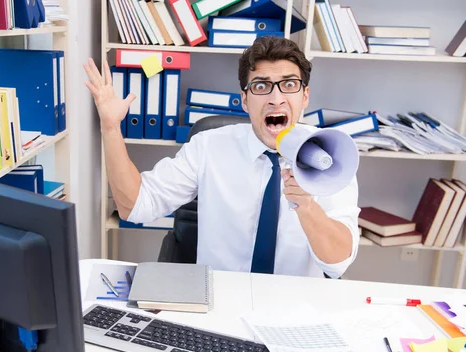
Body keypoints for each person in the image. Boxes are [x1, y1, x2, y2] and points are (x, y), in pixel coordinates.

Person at [83, 36, 360, 278]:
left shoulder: (331, 155)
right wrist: (110, 128)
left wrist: (307, 207)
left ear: (305, 96)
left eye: (289, 84)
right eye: (261, 87)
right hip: (220, 301)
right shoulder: (208, 147)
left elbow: (338, 264)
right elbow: (135, 205)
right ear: (244, 99)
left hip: (293, 307)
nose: (276, 99)